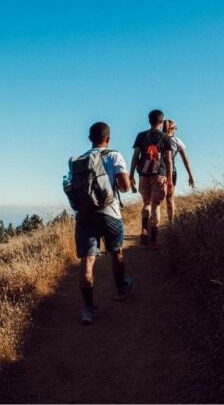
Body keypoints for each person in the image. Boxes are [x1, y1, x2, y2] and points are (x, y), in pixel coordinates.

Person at [66, 122, 133, 324]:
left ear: (89, 138)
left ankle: (88, 309)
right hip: (110, 213)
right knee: (116, 252)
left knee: (87, 261)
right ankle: (120, 289)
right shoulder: (114, 155)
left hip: (85, 215)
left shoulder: (79, 161)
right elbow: (125, 188)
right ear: (108, 138)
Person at [130, 109, 173, 249]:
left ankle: (144, 228)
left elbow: (136, 156)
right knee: (156, 205)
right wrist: (170, 179)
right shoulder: (166, 138)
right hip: (159, 174)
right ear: (162, 122)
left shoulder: (141, 136)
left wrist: (131, 174)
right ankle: (154, 240)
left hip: (143, 174)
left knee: (146, 203)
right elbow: (168, 161)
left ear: (149, 121)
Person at [162, 119, 196, 222]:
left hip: (157, 171)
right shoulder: (176, 140)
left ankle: (154, 224)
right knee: (169, 198)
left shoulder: (158, 139)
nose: (176, 130)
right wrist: (190, 175)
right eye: (175, 128)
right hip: (171, 171)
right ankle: (171, 222)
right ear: (171, 129)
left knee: (156, 199)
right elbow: (185, 160)